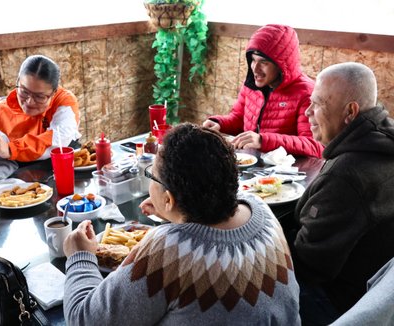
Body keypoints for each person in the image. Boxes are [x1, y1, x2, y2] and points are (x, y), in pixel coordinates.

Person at [63, 123, 301, 325]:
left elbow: (83, 319)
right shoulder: (261, 209)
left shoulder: (169, 249)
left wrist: (80, 257)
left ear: (168, 199)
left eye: (151, 176)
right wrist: (175, 212)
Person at [289, 62, 394, 324]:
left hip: (342, 303)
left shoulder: (346, 176)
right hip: (376, 288)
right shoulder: (383, 137)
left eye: (318, 103)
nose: (307, 111)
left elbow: (308, 265)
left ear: (350, 112)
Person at [202, 24, 324, 158]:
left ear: (282, 63)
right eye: (253, 60)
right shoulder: (252, 84)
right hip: (254, 166)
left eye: (263, 62)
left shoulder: (306, 92)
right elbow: (238, 118)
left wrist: (262, 140)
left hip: (290, 173)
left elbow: (314, 145)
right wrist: (219, 124)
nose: (255, 68)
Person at [0, 54, 81, 162]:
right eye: (24, 91)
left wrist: (11, 149)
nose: (29, 102)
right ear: (18, 82)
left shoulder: (63, 101)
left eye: (39, 96)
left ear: (54, 93)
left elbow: (59, 139)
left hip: (58, 164)